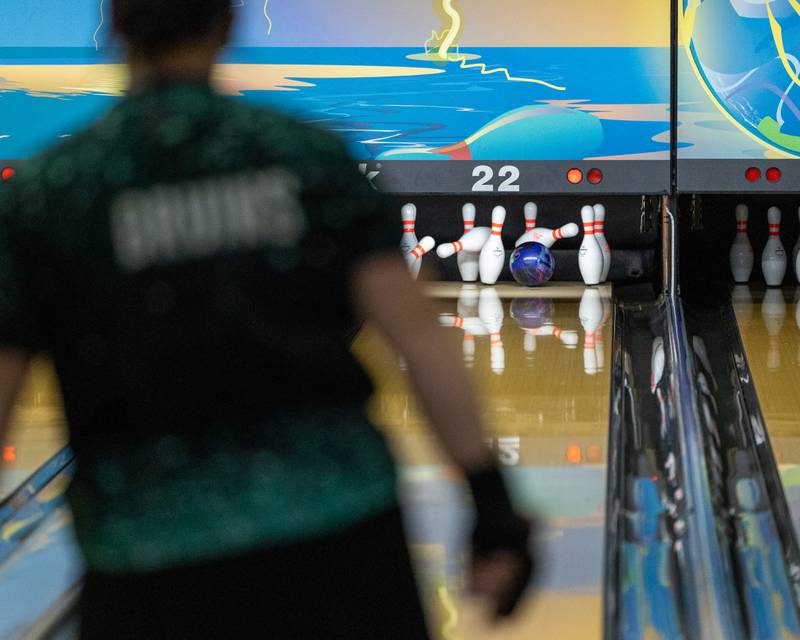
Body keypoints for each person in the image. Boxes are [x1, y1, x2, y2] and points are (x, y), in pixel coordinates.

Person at [0, 0, 535, 637]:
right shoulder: (305, 156)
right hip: (341, 541)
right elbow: (417, 335)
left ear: (112, 26)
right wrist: (494, 506)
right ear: (227, 23)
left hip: (148, 562)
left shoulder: (48, 196)